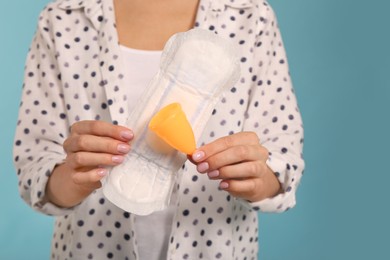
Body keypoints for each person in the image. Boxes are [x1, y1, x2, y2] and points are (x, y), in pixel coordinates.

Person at [13, 0, 304, 259]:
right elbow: (33, 171)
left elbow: (284, 165)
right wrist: (73, 178)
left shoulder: (251, 17)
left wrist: (258, 178)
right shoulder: (63, 19)